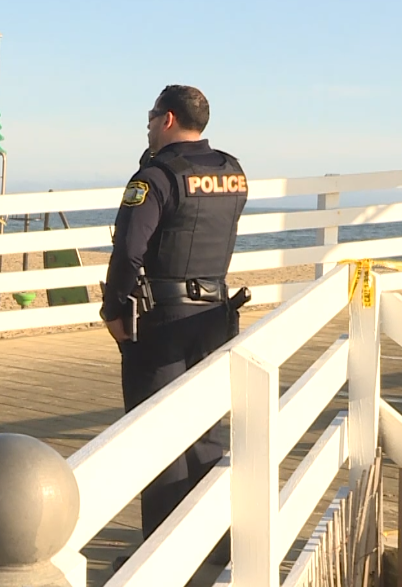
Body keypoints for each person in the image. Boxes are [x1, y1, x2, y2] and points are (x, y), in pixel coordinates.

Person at [100, 85, 249, 555]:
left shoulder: (155, 177)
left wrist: (113, 311)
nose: (147, 125)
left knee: (157, 433)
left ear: (167, 119)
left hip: (161, 321)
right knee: (206, 432)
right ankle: (214, 542)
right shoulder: (232, 172)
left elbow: (129, 250)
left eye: (150, 116)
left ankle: (163, 554)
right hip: (216, 317)